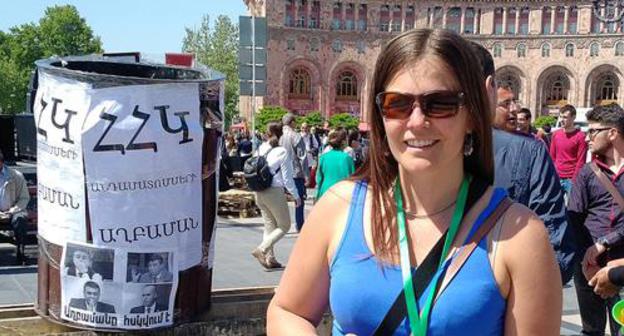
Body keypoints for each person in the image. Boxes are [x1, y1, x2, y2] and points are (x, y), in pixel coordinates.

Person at [268, 28, 561, 335]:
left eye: (441, 103)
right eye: (397, 104)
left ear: (472, 115)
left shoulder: (521, 236)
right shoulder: (339, 207)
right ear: (381, 116)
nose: (418, 121)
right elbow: (286, 311)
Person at [471, 41, 575, 284]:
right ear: (489, 88)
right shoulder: (530, 153)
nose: (514, 110)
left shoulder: (411, 153)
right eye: (506, 103)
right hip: (511, 302)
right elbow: (556, 250)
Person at [568, 103, 624, 336]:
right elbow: (573, 219)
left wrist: (606, 242)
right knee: (591, 331)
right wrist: (584, 262)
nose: (586, 137)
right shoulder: (587, 172)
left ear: (612, 133)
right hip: (589, 265)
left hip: (621, 266)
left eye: (592, 131)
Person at [251, 122, 301, 270]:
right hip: (274, 191)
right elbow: (287, 178)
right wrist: (296, 195)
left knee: (269, 225)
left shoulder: (261, 148)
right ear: (281, 134)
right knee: (284, 225)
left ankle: (270, 258)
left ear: (266, 133)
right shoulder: (281, 151)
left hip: (259, 190)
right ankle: (262, 249)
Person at [0, 150, 31, 264]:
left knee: (20, 219)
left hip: (13, 210)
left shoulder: (16, 176)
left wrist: (12, 211)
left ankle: (20, 252)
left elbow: (24, 198)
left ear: (1, 163)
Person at [550, 104, 588, 195]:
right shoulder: (556, 134)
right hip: (556, 177)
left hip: (571, 179)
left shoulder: (580, 137)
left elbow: (581, 161)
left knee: (572, 207)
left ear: (573, 117)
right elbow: (552, 157)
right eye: (561, 117)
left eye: (565, 117)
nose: (562, 120)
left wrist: (574, 179)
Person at [280, 113, 307, 231]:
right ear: (292, 123)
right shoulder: (295, 136)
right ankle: (299, 225)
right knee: (299, 200)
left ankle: (281, 225)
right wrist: (306, 174)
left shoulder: (279, 136)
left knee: (281, 199)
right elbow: (302, 156)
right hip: (295, 172)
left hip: (280, 172)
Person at [315, 129, 355, 200]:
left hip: (325, 192)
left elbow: (319, 178)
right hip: (341, 193)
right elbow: (352, 179)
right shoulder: (347, 158)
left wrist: (317, 195)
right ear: (343, 141)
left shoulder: (323, 157)